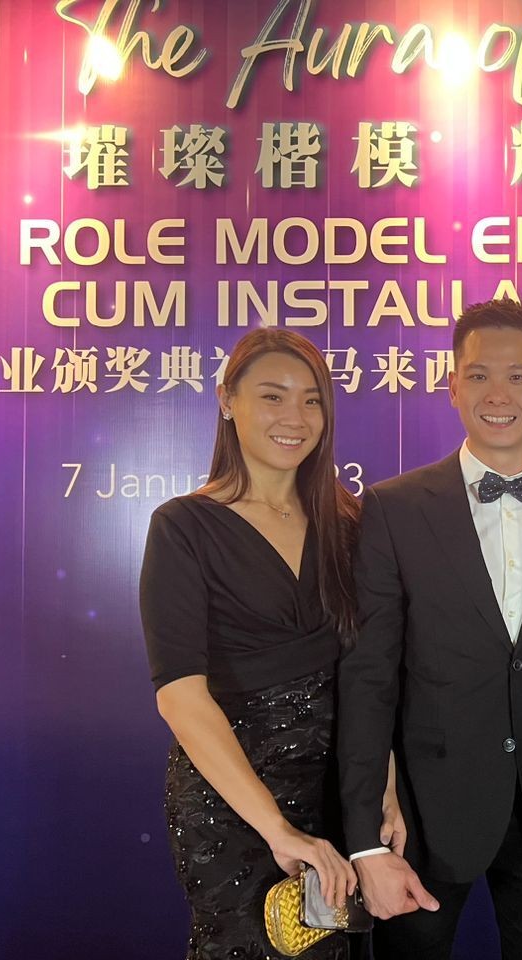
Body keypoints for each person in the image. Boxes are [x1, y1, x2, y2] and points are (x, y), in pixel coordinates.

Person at [336, 299, 522, 960]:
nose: (498, 394)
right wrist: (365, 839)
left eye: (518, 376)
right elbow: (369, 676)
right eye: (480, 375)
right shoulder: (395, 509)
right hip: (422, 820)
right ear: (452, 384)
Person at [140, 329, 384, 960]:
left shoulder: (352, 523)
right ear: (227, 401)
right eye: (273, 396)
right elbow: (179, 696)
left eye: (312, 400)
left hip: (342, 797)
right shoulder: (183, 527)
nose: (294, 417)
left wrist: (383, 787)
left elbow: (374, 674)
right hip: (234, 803)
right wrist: (275, 828)